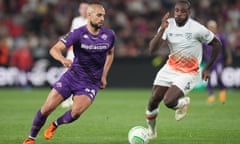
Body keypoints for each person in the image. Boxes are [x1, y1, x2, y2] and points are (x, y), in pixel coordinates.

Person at [22, 3, 115, 144]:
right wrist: (62, 59)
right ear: (89, 15)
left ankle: (55, 124)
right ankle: (31, 138)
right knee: (47, 108)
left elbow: (110, 53)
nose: (102, 18)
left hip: (91, 82)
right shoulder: (77, 33)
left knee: (76, 113)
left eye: (103, 15)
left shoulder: (109, 35)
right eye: (99, 15)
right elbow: (54, 49)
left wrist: (104, 75)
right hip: (72, 76)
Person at [145, 0, 221, 139]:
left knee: (169, 102)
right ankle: (152, 131)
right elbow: (152, 49)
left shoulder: (197, 28)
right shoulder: (168, 25)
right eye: (177, 11)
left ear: (189, 13)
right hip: (170, 68)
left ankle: (183, 102)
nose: (179, 14)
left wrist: (208, 68)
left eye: (183, 11)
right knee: (153, 100)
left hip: (189, 72)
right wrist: (162, 29)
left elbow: (217, 44)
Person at [61, 1, 89, 108]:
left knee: (80, 75)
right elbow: (71, 34)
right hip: (72, 51)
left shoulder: (91, 21)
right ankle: (66, 98)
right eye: (82, 8)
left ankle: (75, 98)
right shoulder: (76, 20)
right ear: (79, 9)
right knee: (67, 73)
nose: (83, 10)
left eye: (86, 8)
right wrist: (64, 38)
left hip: (83, 52)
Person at [203, 20, 232, 104]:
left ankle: (222, 94)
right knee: (208, 77)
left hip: (218, 61)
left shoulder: (220, 37)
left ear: (215, 28)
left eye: (212, 27)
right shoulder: (205, 37)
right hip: (209, 61)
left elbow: (226, 47)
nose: (211, 29)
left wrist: (229, 56)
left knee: (219, 77)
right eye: (209, 27)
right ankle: (211, 95)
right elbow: (203, 49)